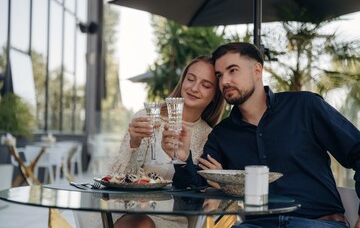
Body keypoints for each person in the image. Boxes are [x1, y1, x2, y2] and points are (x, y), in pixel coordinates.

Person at [162, 42, 360, 228]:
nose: (225, 81)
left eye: (233, 70)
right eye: (220, 75)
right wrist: (181, 158)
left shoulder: (305, 106)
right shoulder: (222, 134)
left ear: (257, 70)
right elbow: (196, 186)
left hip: (317, 223)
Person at [108, 55, 226, 228]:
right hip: (130, 214)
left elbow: (201, 192)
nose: (194, 88)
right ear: (182, 81)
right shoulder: (146, 117)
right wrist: (133, 143)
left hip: (174, 220)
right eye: (190, 79)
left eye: (206, 85)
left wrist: (219, 183)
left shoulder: (211, 137)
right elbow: (114, 176)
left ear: (215, 95)